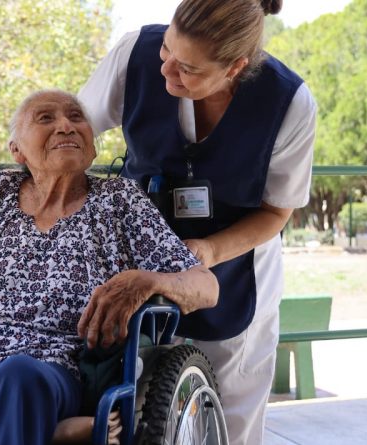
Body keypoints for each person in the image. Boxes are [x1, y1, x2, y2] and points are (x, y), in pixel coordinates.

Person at [0, 89, 219, 445]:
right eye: (46, 118)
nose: (66, 126)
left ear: (92, 147)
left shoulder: (120, 201)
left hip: (52, 361)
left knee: (18, 378)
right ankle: (55, 432)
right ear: (17, 150)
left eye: (76, 117)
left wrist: (147, 281)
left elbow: (206, 286)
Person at [78, 0, 316, 443]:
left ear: (235, 67)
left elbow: (276, 211)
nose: (165, 71)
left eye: (187, 69)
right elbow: (73, 130)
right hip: (136, 260)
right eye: (167, 50)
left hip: (238, 269)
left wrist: (208, 251)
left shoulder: (288, 103)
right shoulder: (135, 53)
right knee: (127, 405)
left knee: (232, 416)